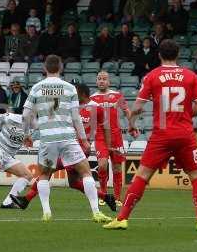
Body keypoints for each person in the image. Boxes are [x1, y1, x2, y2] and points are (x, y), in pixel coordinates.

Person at [104, 39, 197, 231]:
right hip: (185, 134)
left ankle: (122, 218)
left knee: (142, 175)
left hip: (161, 135)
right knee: (196, 176)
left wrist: (131, 123)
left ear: (159, 55)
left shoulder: (152, 76)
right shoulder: (190, 75)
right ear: (178, 55)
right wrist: (185, 115)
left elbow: (137, 107)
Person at [21, 55, 111, 222]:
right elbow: (76, 117)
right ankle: (96, 211)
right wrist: (84, 140)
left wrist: (26, 135)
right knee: (85, 172)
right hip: (68, 138)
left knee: (44, 175)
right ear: (61, 68)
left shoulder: (37, 88)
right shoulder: (69, 88)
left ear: (44, 68)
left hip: (47, 139)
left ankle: (47, 212)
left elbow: (26, 114)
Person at [11, 83, 117, 212]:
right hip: (67, 144)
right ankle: (107, 197)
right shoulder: (73, 106)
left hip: (79, 148)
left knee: (47, 171)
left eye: (76, 91)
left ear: (82, 93)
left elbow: (105, 126)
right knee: (73, 183)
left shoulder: (96, 108)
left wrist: (104, 144)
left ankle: (26, 200)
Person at [90, 71, 131, 206]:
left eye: (104, 79)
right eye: (99, 79)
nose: (101, 81)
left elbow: (127, 111)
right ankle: (103, 195)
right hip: (100, 136)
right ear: (96, 82)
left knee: (117, 168)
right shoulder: (92, 99)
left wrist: (132, 124)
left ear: (109, 82)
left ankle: (117, 198)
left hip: (116, 136)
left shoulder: (117, 96)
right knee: (102, 165)